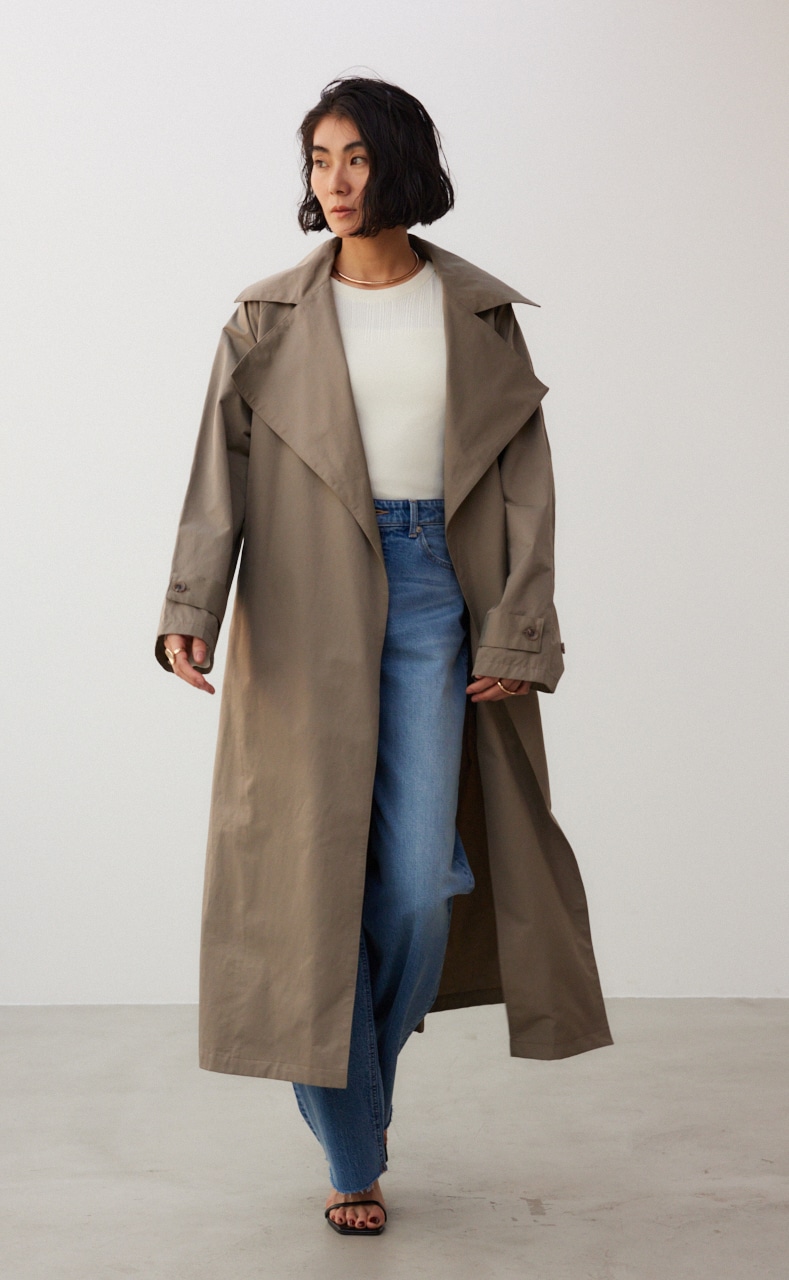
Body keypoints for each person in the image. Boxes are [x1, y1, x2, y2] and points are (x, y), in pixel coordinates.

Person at [156, 75, 613, 1237]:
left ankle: (358, 1082)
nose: (335, 181)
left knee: (413, 884)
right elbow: (218, 472)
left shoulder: (477, 314)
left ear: (401, 163)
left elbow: (525, 486)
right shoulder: (267, 317)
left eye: (356, 157)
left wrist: (516, 626)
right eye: (319, 159)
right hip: (302, 593)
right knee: (309, 884)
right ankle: (355, 1151)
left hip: (434, 594)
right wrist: (190, 606)